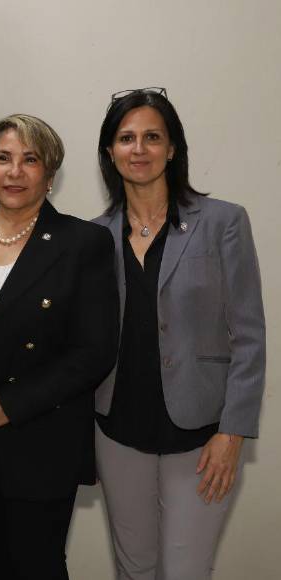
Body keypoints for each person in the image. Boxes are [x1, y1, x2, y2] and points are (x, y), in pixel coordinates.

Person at [0, 113, 119, 579]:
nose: (14, 171)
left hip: (41, 440)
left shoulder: (82, 242)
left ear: (50, 175)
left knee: (38, 566)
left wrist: (9, 405)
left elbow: (94, 351)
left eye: (30, 160)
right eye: (4, 159)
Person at [93, 88, 265, 580]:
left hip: (202, 434)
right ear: (110, 151)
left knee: (186, 571)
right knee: (135, 570)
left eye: (152, 137)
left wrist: (233, 433)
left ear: (173, 148)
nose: (139, 149)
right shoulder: (93, 236)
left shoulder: (223, 222)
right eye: (126, 138)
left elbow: (249, 336)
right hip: (117, 432)